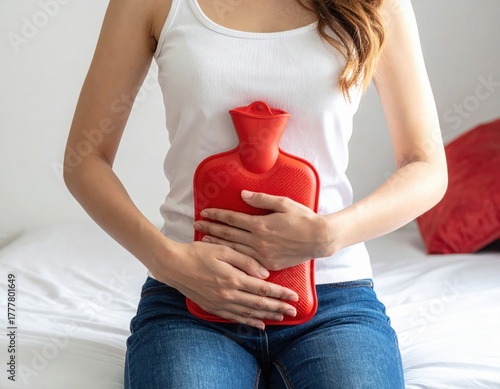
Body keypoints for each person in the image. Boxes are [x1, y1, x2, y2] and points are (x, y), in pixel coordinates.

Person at [64, 0, 447, 387]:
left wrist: (328, 235)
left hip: (332, 299)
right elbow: (85, 159)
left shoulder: (378, 5)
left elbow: (426, 164)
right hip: (190, 296)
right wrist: (168, 261)